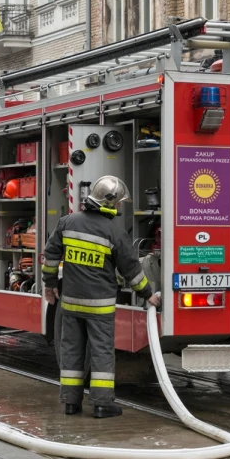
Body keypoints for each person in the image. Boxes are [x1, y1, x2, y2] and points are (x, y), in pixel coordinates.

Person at [41, 175, 156, 419]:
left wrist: (50, 285)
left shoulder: (67, 222)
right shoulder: (114, 233)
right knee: (101, 353)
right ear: (111, 203)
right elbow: (132, 271)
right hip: (100, 308)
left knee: (71, 351)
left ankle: (71, 403)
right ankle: (102, 404)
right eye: (119, 203)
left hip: (70, 303)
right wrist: (148, 295)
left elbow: (50, 257)